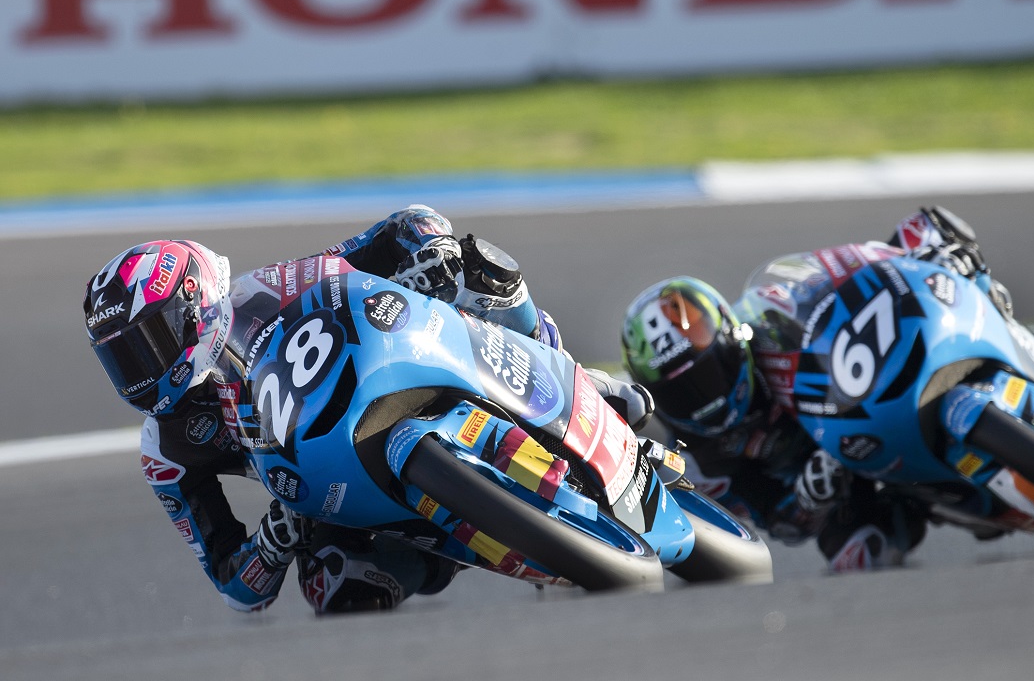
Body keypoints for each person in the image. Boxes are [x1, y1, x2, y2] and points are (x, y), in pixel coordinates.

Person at [84, 204, 647, 613]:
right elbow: (235, 588)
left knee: (478, 272)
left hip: (388, 372)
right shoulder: (166, 453)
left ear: (193, 305)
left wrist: (429, 250)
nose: (139, 371)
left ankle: (572, 377)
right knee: (334, 587)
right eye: (122, 359)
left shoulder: (267, 290)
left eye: (147, 343)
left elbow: (405, 224)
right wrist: (272, 543)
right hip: (323, 489)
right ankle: (460, 544)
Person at [620, 206, 1034, 571]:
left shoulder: (770, 314)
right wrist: (808, 497)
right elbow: (775, 522)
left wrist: (916, 252)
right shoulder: (701, 461)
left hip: (867, 393)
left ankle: (1033, 352)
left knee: (945, 254)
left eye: (709, 374)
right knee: (857, 552)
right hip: (856, 479)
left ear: (732, 340)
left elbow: (841, 270)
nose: (706, 398)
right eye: (683, 392)